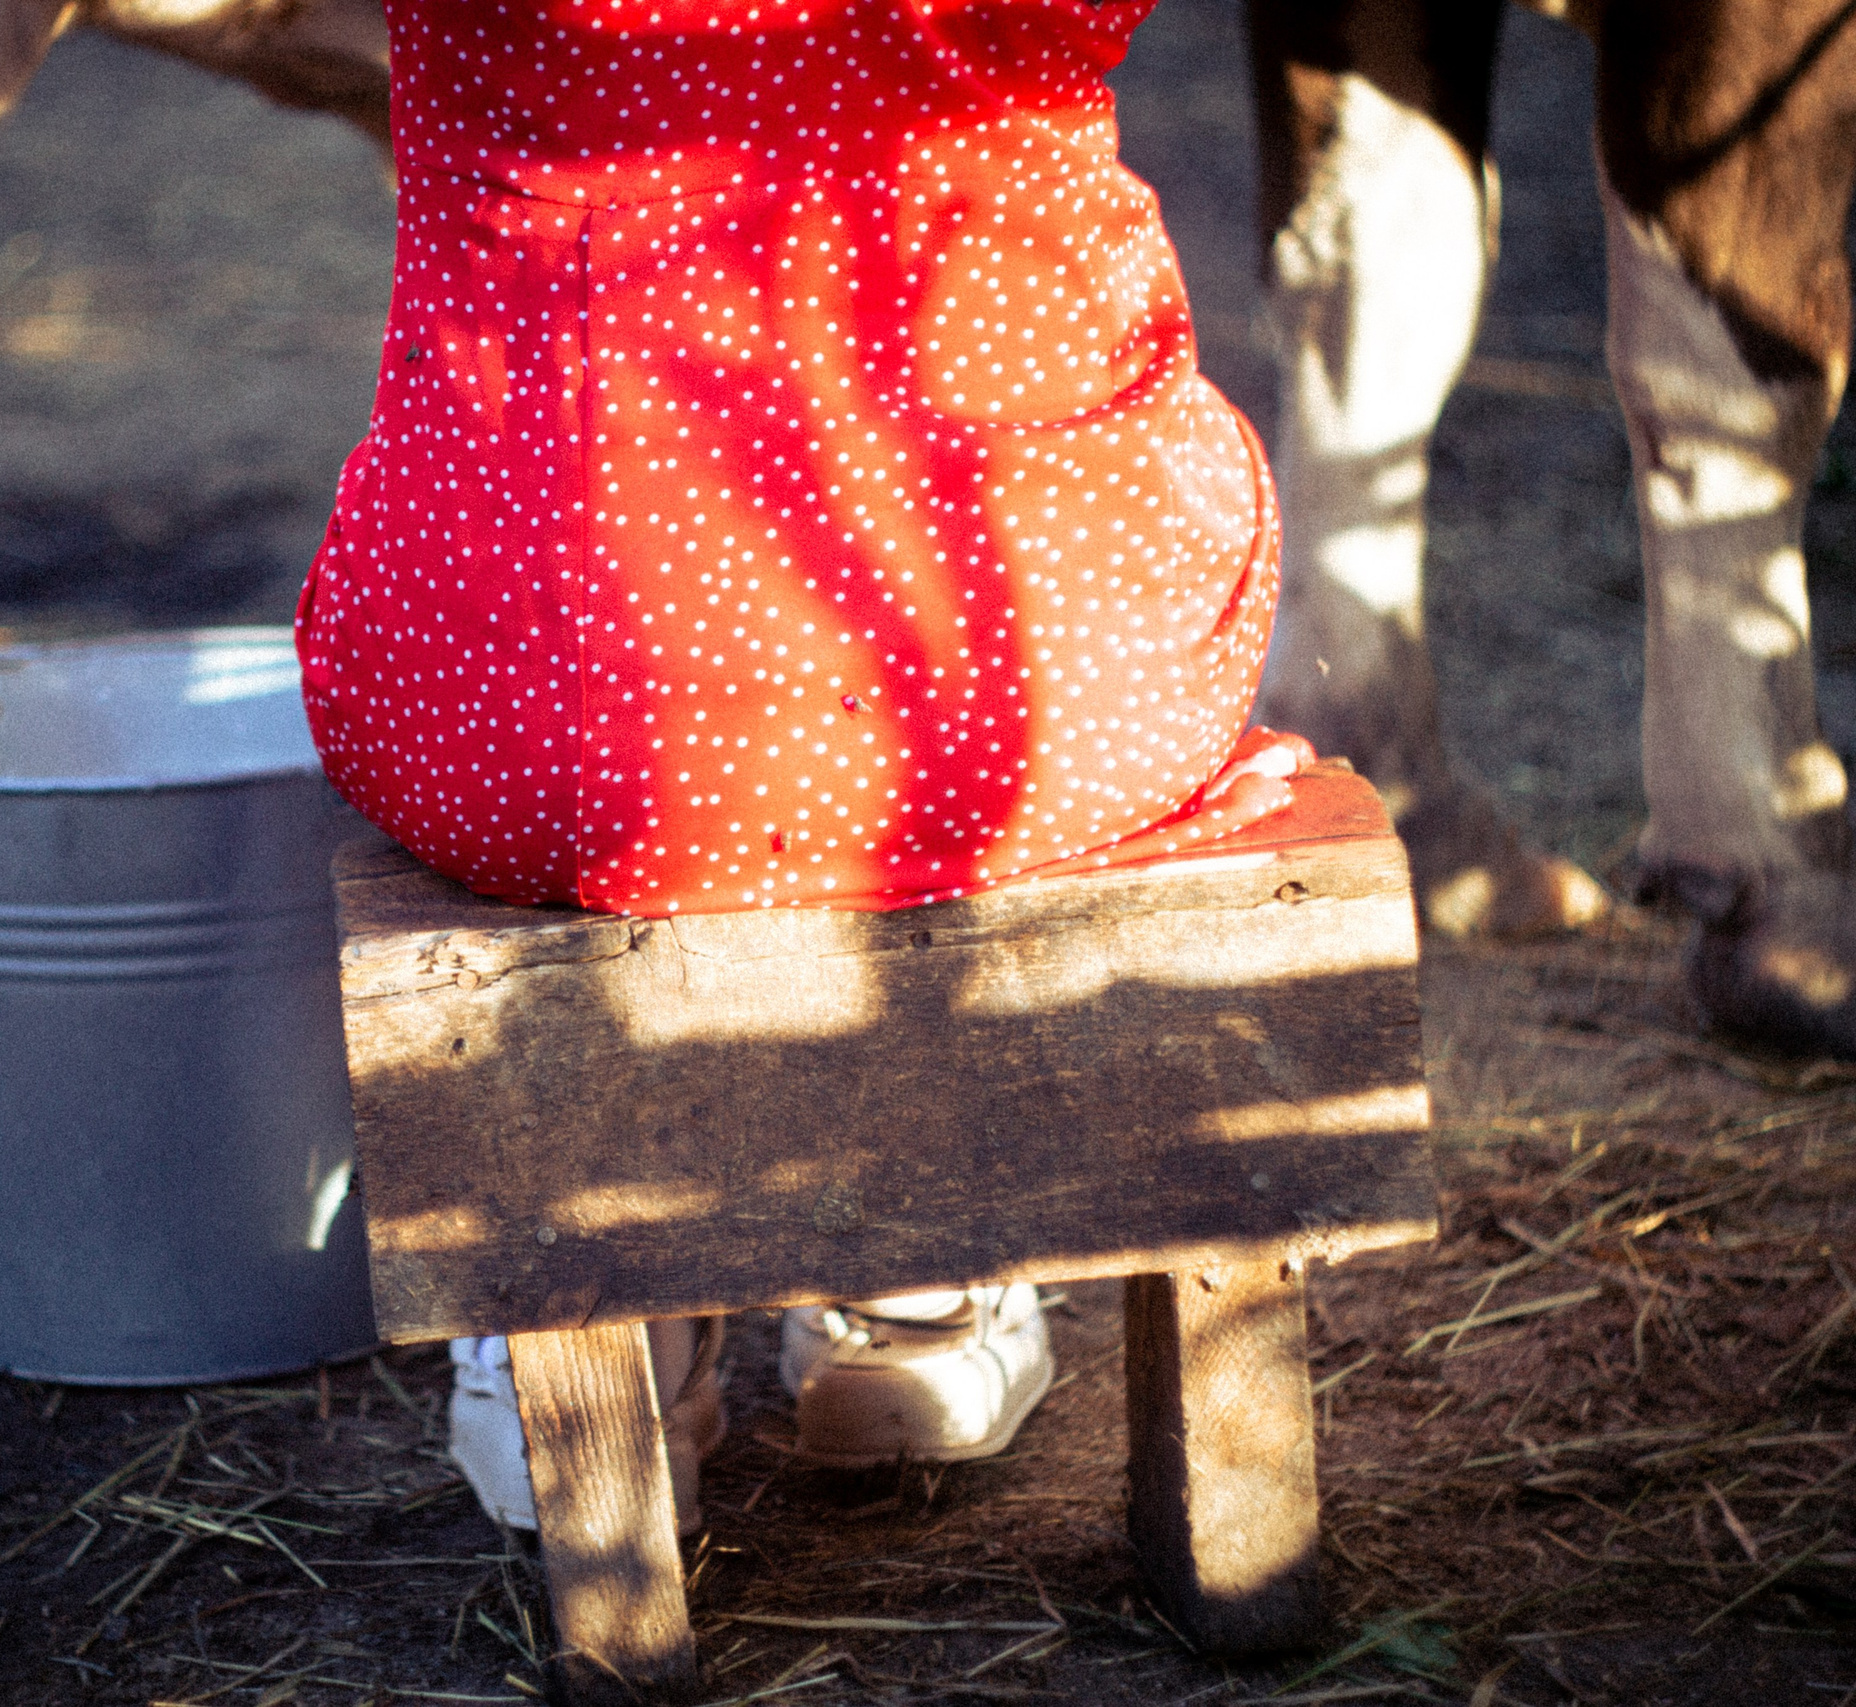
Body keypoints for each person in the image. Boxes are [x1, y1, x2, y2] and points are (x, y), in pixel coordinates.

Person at [297, 0, 1298, 1530]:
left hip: (525, 696)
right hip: (1027, 676)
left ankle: (611, 1302)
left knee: (577, 636)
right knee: (1107, 542)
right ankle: (918, 1269)